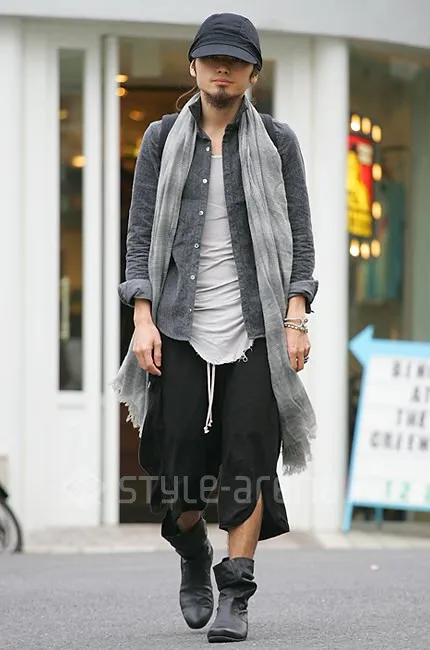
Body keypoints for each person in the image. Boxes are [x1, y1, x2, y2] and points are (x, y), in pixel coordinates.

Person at [115, 12, 318, 644]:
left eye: (235, 60)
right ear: (194, 66)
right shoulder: (160, 139)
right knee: (177, 467)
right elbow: (140, 235)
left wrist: (296, 318)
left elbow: (301, 241)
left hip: (257, 328)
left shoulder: (278, 142)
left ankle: (235, 590)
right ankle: (193, 551)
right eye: (212, 58)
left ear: (253, 72)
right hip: (178, 325)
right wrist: (142, 317)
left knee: (249, 457)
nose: (222, 68)